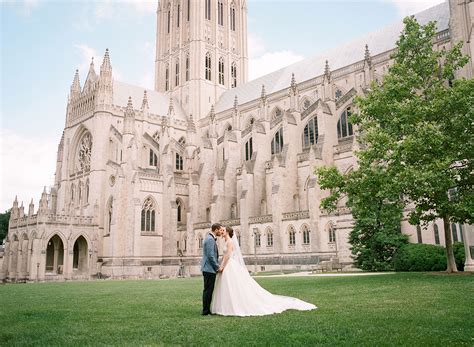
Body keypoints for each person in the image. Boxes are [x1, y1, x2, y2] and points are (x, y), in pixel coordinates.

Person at [211, 226, 317, 316]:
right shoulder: (226, 241)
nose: (221, 232)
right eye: (221, 230)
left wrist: (222, 266)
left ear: (228, 232)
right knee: (230, 287)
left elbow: (228, 255)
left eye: (223, 230)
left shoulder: (229, 242)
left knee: (234, 286)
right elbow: (225, 255)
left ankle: (233, 307)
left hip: (229, 265)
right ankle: (227, 306)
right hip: (229, 266)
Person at [200, 223, 224, 315]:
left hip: (208, 269)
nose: (221, 232)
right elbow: (210, 256)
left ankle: (207, 310)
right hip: (209, 269)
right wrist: (217, 267)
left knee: (208, 290)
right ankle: (205, 311)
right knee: (208, 290)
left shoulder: (210, 238)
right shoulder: (210, 239)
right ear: (216, 230)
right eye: (220, 230)